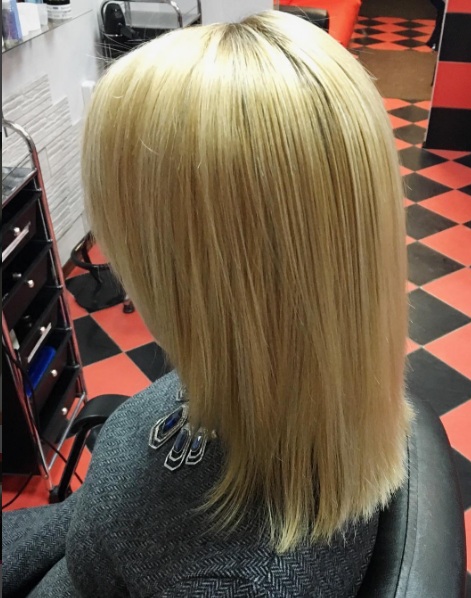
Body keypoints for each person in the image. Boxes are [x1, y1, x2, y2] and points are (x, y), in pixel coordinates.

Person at [3, 10, 412, 597]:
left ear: (201, 273)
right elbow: (87, 526)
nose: (115, 260)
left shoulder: (234, 583)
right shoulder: (265, 391)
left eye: (126, 233)